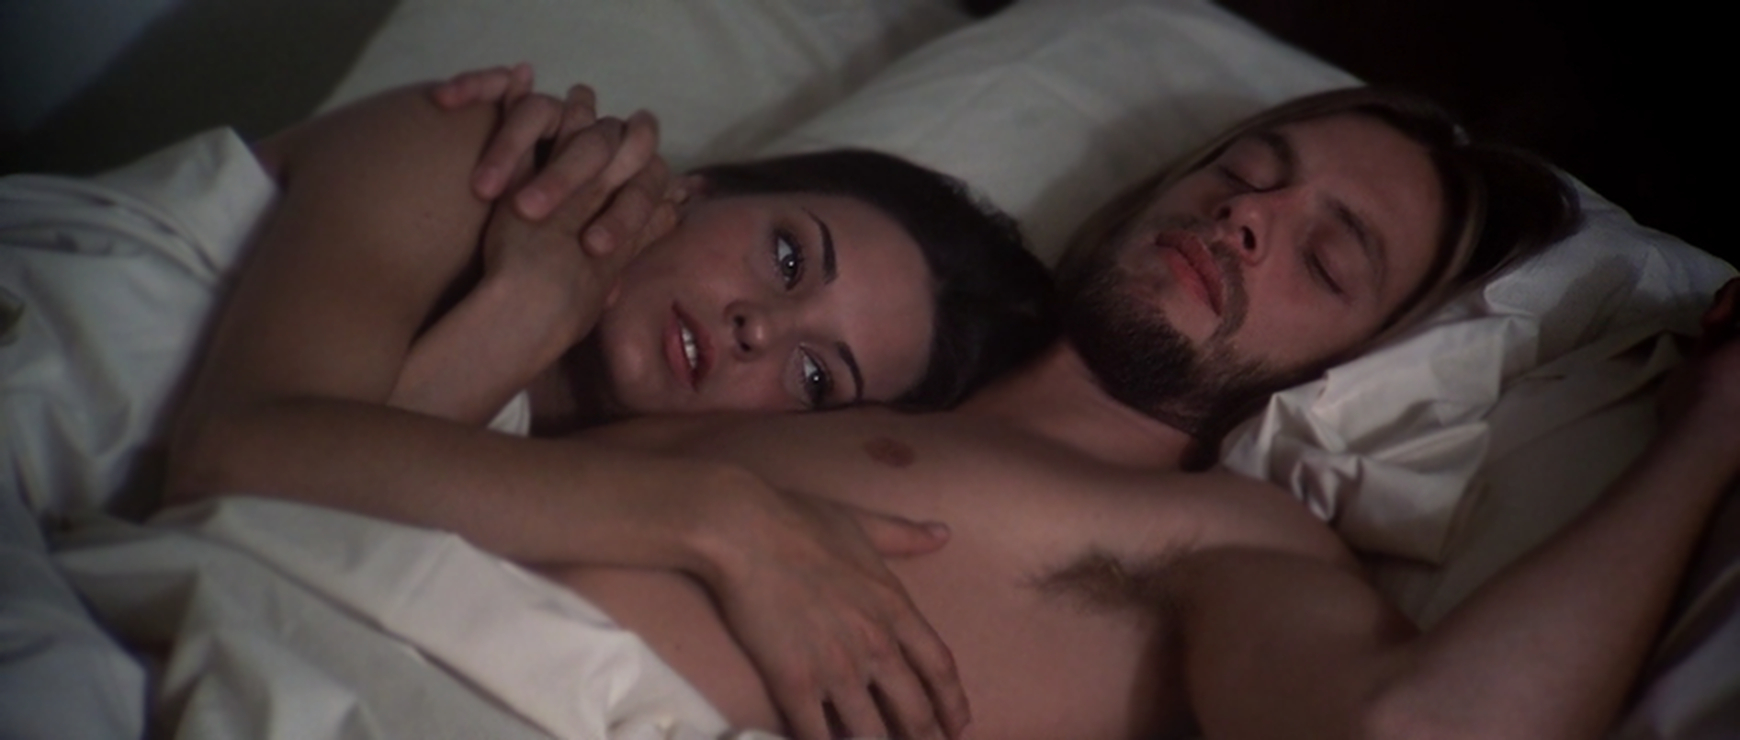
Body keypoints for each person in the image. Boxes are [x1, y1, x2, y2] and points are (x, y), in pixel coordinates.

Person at [401, 86, 1735, 740]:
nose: (1250, 215)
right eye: (1248, 170)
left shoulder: (1221, 538)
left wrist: (1709, 438)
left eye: (1327, 259)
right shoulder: (858, 354)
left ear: (1352, 362)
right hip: (347, 609)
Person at [162, 66, 1053, 738]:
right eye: (788, 258)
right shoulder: (481, 154)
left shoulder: (557, 518)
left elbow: (258, 530)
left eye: (817, 378)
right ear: (696, 191)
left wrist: (513, 329)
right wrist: (720, 518)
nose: (760, 328)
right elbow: (229, 463)